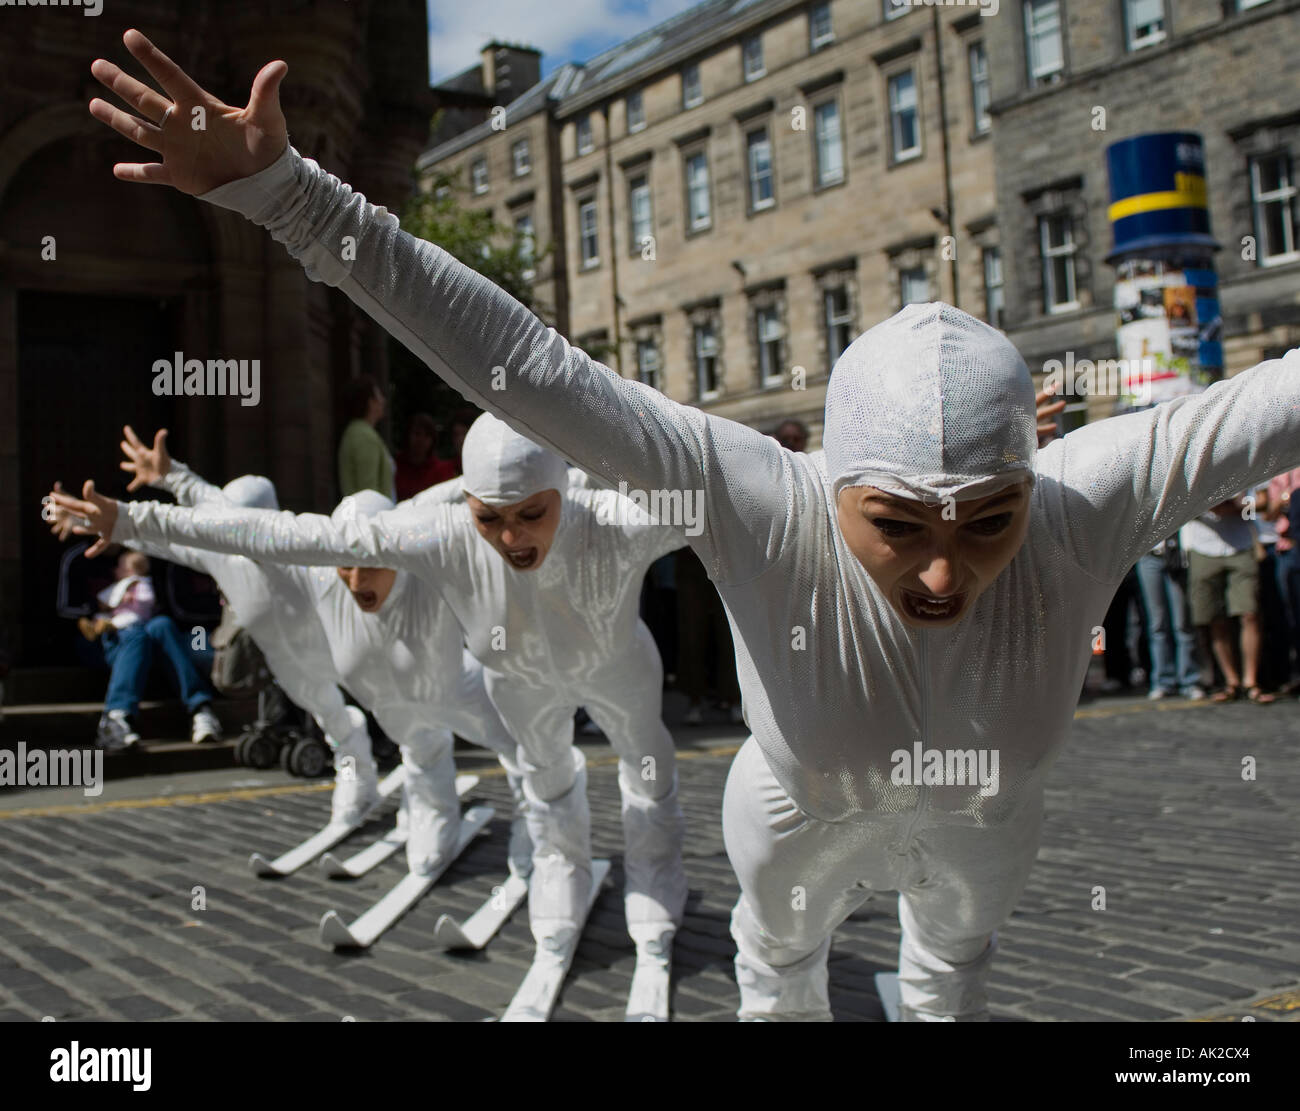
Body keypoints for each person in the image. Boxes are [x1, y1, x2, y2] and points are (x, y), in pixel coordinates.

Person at [72, 33, 1300, 1020]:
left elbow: (1271, 403)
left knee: (949, 976)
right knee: (774, 973)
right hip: (787, 814)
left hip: (976, 820)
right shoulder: (755, 497)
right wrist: (288, 195)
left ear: (1034, 491)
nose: (942, 568)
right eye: (894, 524)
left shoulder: (1090, 496)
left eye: (988, 525)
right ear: (831, 489)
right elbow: (526, 364)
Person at [63, 410, 689, 961]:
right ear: (467, 505)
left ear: (561, 492)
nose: (510, 537)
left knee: (646, 763)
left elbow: (742, 499)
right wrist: (128, 519)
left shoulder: (615, 522)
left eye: (531, 514)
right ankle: (557, 862)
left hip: (606, 668)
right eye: (488, 517)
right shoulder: (437, 536)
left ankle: (656, 868)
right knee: (542, 772)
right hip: (505, 683)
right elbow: (277, 534)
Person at [52, 426, 379, 820]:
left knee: (398, 707)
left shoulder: (297, 546)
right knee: (333, 720)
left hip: (338, 647)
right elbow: (160, 539)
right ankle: (356, 777)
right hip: (286, 662)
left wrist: (173, 477)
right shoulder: (220, 554)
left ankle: (423, 773)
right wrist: (91, 520)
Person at [63, 540, 221, 750]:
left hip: (197, 633)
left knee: (170, 630)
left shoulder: (156, 558)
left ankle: (201, 709)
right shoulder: (79, 558)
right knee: (179, 644)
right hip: (122, 635)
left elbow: (177, 611)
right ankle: (116, 717)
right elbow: (180, 609)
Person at [1180, 496, 1275, 704]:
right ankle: (1231, 681)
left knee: (1249, 612)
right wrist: (1205, 506)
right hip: (1202, 547)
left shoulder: (1246, 464)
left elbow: (1263, 501)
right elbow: (1179, 506)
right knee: (1214, 617)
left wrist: (1235, 507)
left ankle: (1251, 681)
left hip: (1241, 544)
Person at [1134, 534, 1205, 700]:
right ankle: (1162, 681)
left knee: (1182, 623)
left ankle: (1189, 680)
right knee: (1157, 624)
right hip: (1148, 555)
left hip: (1176, 555)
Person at [338, 373, 394, 499]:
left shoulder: (356, 432)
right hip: (371, 515)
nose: (383, 401)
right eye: (379, 396)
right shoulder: (363, 435)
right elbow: (369, 493)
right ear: (370, 402)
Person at [394, 412, 456, 501]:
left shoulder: (442, 470)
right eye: (417, 434)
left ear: (432, 439)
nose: (421, 440)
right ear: (408, 435)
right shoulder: (394, 466)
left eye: (427, 435)